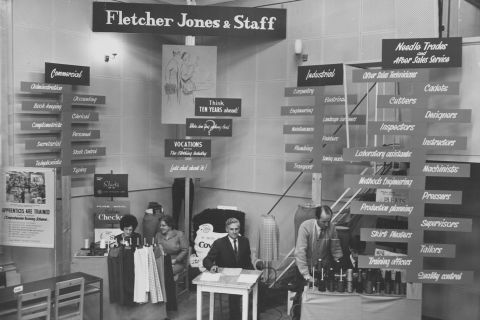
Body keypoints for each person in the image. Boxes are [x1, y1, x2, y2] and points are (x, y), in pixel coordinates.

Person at [203, 218, 253, 319]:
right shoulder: (219, 243)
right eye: (231, 229)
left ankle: (254, 315)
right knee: (234, 296)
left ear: (239, 229)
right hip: (227, 278)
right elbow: (206, 260)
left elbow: (248, 261)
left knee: (261, 289)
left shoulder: (245, 241)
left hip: (243, 275)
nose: (234, 232)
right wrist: (211, 266)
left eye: (236, 229)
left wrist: (254, 274)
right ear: (226, 229)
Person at [295, 205, 343, 282]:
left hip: (323, 269)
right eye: (324, 222)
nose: (327, 224)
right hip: (306, 269)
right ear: (316, 218)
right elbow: (300, 252)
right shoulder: (305, 227)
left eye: (329, 221)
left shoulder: (332, 227)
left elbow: (336, 249)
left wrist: (340, 267)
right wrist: (306, 275)